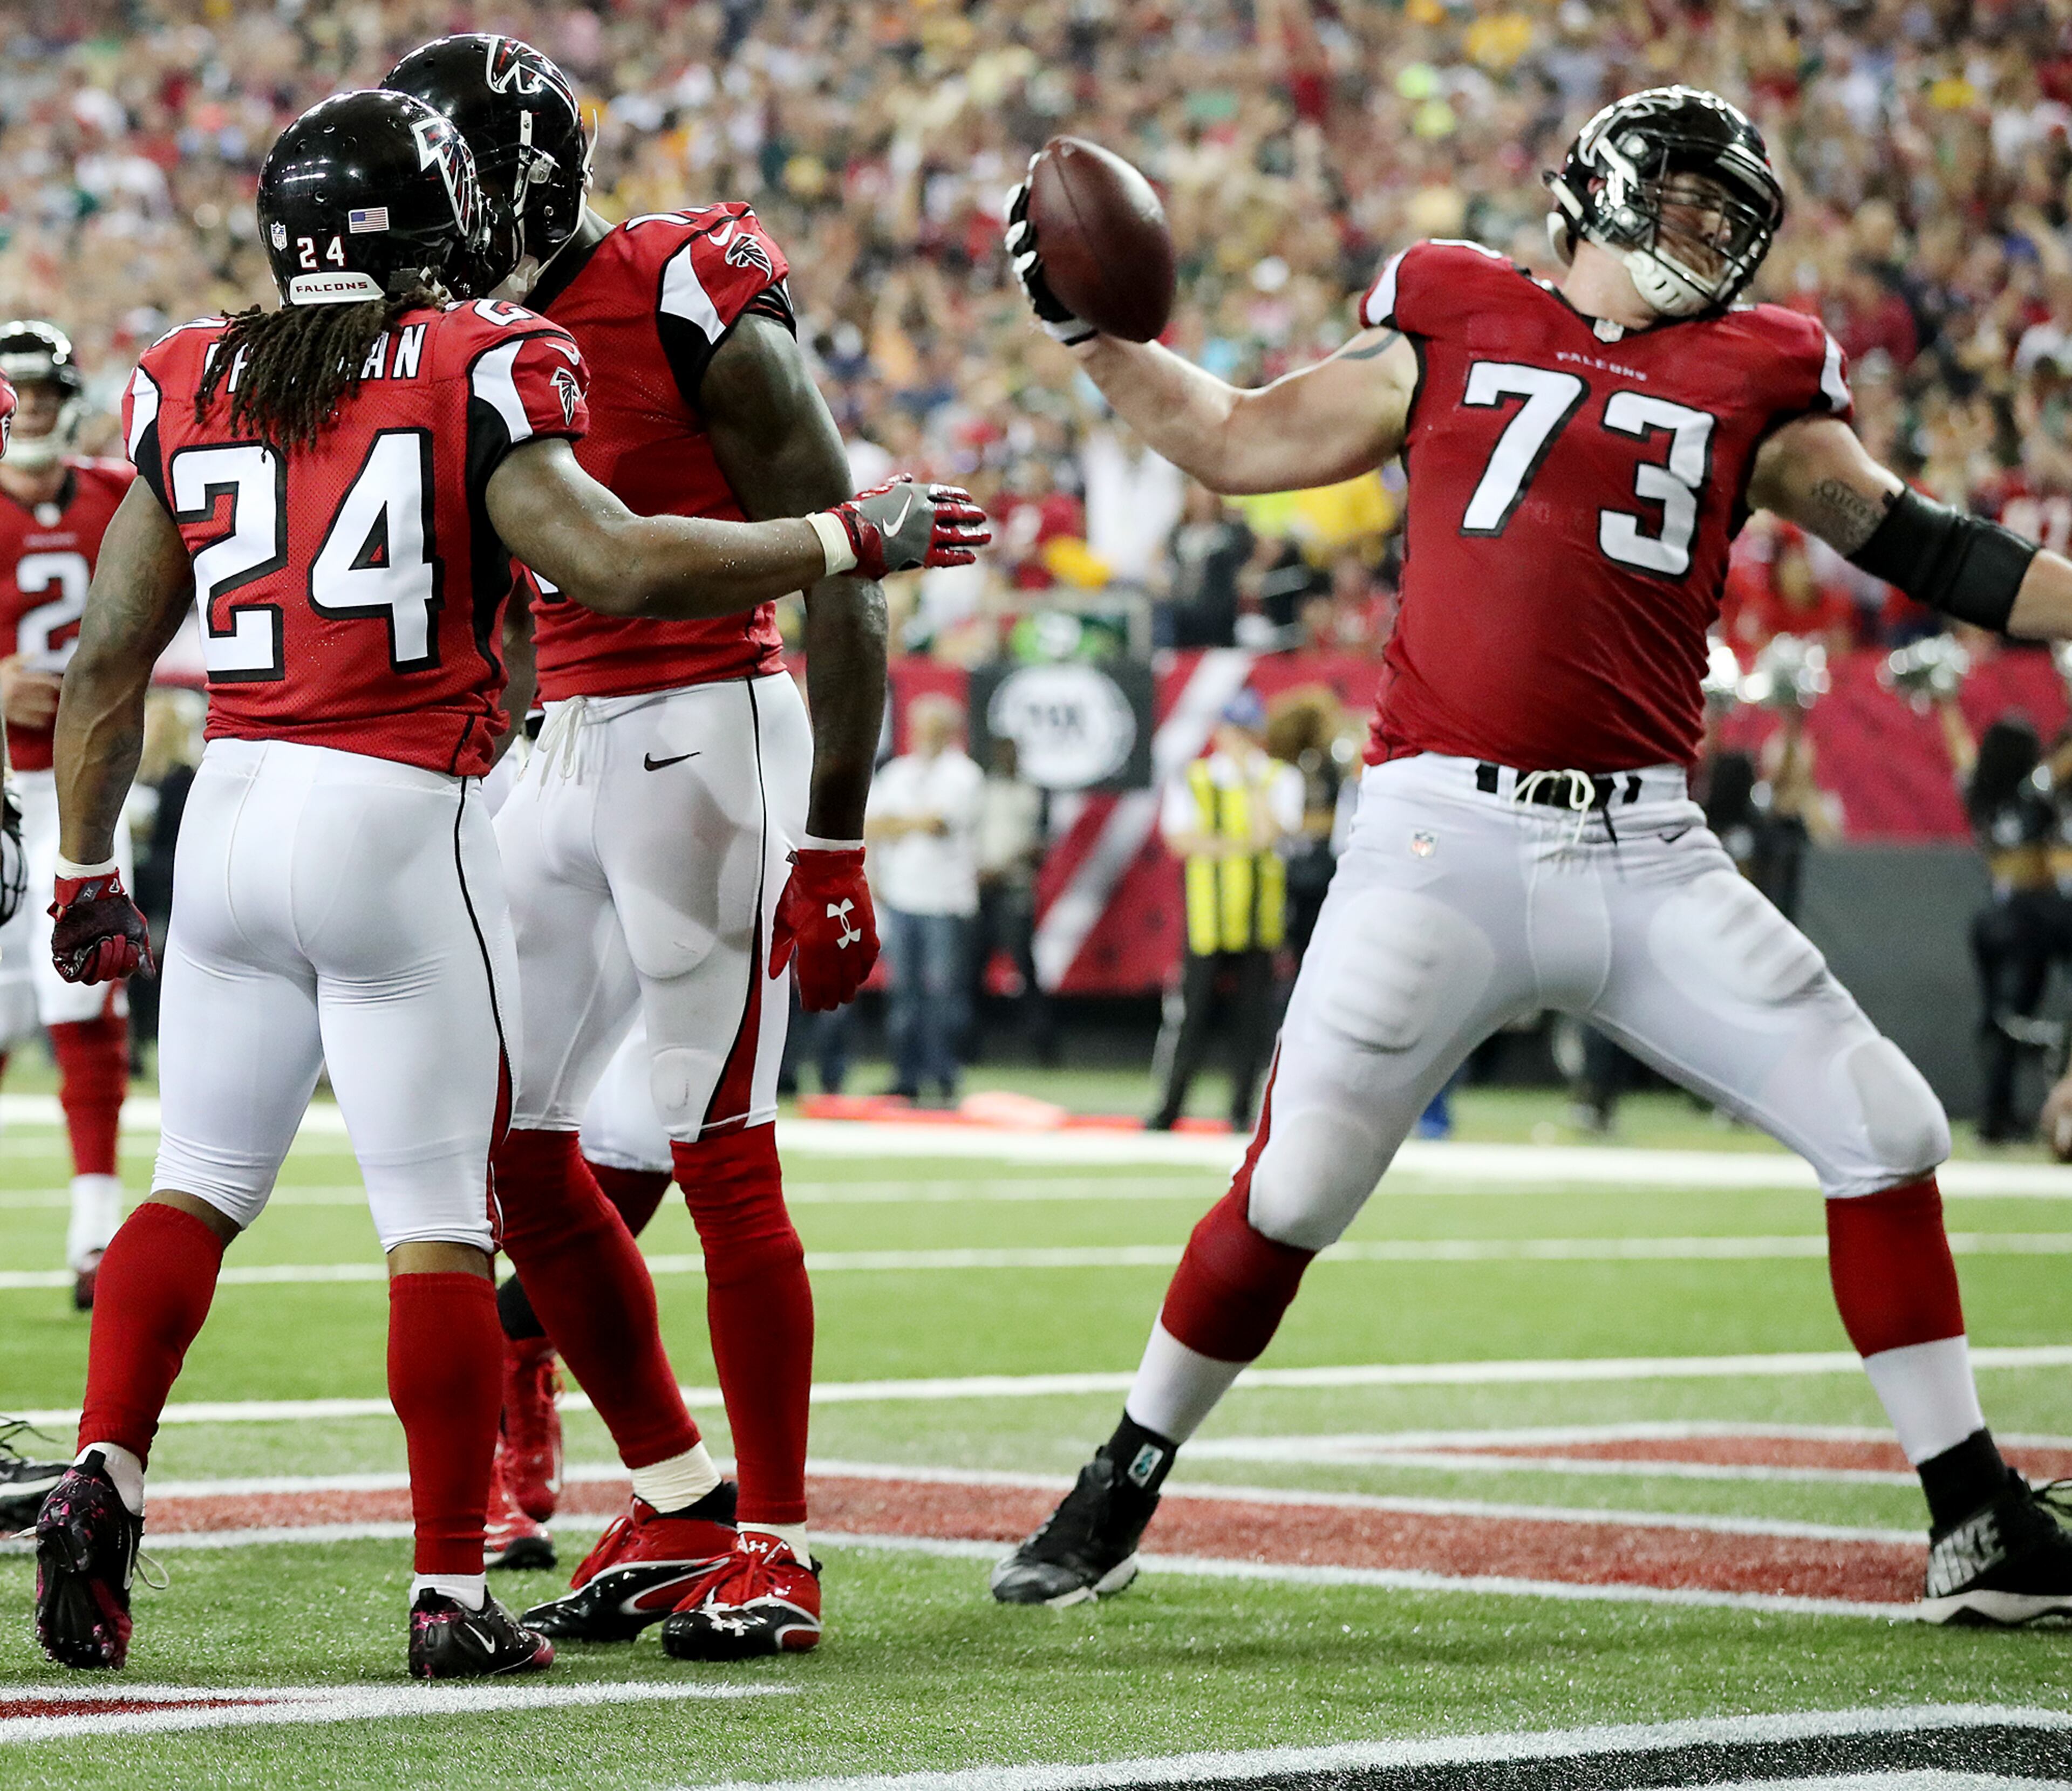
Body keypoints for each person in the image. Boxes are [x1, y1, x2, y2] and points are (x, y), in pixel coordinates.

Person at [992, 85, 2072, 1622]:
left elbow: (1927, 548)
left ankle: (1972, 1517)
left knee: (1887, 1131)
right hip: (1443, 837)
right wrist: (1097, 339)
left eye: (1729, 214)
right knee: (1293, 1191)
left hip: (1648, 849)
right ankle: (1125, 1470)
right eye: (1688, 201)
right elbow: (1235, 442)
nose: (1712, 237)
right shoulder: (1448, 307)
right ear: (1607, 194)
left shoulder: (1761, 373)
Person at [29, 87, 983, 1680]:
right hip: (420, 806)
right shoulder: (481, 354)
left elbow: (111, 652)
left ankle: (108, 1462)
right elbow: (601, 558)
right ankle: (469, 1573)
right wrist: (840, 537)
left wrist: (83, 861)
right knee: (449, 1210)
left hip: (244, 803)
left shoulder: (190, 367)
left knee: (196, 1175)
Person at [386, 33, 901, 1659]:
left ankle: (778, 1537)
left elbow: (841, 563)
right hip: (558, 751)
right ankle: (675, 1489)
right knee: (513, 1149)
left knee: (715, 1140)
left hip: (707, 731)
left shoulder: (686, 288)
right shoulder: (454, 333)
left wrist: (835, 835)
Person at [0, 322, 137, 1310]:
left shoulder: (111, 495)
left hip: (85, 785)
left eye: (42, 393)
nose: (31, 411)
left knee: (87, 997)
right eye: (17, 396)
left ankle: (95, 1231)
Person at [1147, 690, 1301, 1131]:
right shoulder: (1195, 777)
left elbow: (1270, 833)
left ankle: (1240, 1110)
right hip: (1208, 916)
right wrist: (1236, 845)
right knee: (1191, 1017)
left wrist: (1248, 788)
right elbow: (1180, 840)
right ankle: (1170, 1107)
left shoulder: (1276, 777)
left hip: (1260, 915)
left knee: (1252, 1022)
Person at [864, 693, 983, 1104]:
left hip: (946, 901)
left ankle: (945, 1073)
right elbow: (872, 826)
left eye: (933, 728)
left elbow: (937, 822)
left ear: (949, 732)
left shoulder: (963, 774)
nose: (923, 736)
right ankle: (907, 1075)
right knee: (905, 995)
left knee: (942, 993)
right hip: (902, 895)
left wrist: (898, 823)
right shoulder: (898, 772)